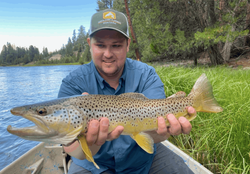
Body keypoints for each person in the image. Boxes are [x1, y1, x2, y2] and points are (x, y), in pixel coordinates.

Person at [58, 9, 195, 174]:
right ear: (89, 44)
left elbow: (155, 133)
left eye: (116, 45)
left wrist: (165, 132)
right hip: (94, 164)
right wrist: (92, 144)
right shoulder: (72, 84)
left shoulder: (146, 74)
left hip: (143, 159)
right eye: (100, 45)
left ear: (128, 45)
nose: (108, 54)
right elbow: (73, 150)